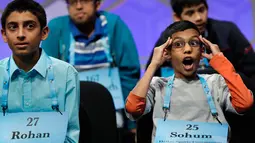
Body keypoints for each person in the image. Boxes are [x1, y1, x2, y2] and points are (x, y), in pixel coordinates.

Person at [144, 0, 255, 142]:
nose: (198, 17)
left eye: (201, 10)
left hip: (227, 113)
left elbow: (251, 72)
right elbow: (150, 83)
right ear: (177, 17)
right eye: (190, 13)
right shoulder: (168, 40)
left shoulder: (227, 32)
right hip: (179, 118)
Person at [41, 0, 140, 142]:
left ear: (97, 4)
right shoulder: (57, 28)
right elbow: (48, 75)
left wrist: (132, 122)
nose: (79, 6)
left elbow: (129, 75)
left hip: (112, 113)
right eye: (73, 2)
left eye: (85, 1)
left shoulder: (113, 25)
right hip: (70, 114)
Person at [0, 0, 80, 142]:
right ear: (4, 35)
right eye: (13, 27)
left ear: (44, 33)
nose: (20, 34)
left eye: (29, 26)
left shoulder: (66, 73)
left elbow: (71, 137)